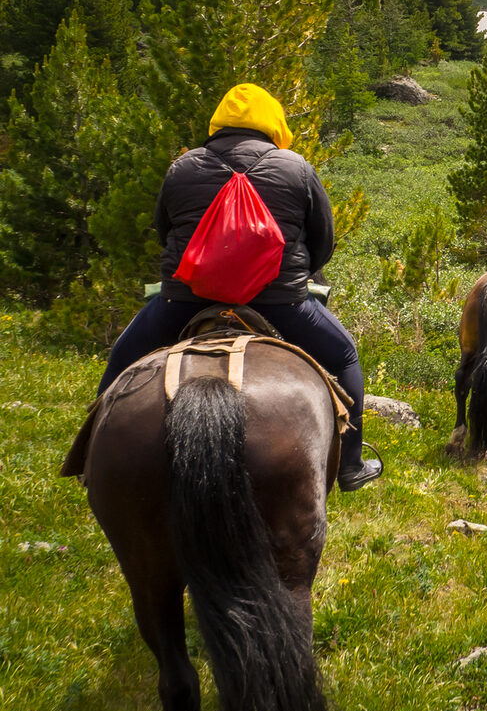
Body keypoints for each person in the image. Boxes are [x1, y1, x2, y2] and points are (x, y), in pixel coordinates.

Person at [98, 83, 382, 491]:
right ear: (273, 124)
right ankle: (351, 465)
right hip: (280, 303)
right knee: (343, 354)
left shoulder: (184, 166)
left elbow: (164, 231)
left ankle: (97, 454)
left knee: (123, 355)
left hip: (185, 298)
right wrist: (295, 278)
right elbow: (323, 240)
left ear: (219, 123)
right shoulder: (296, 167)